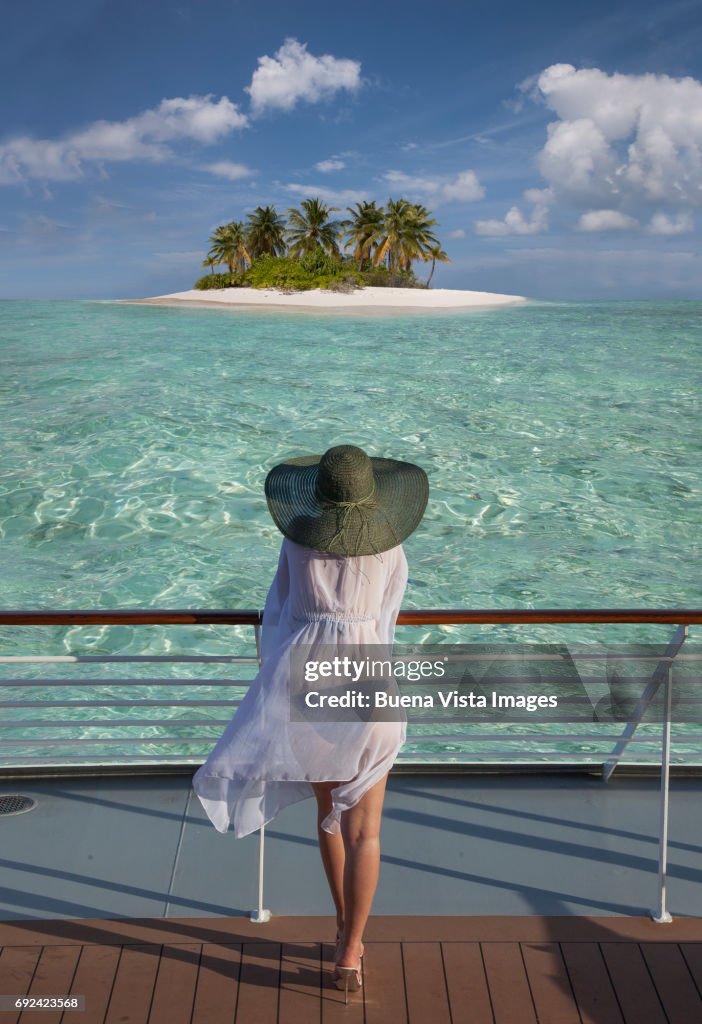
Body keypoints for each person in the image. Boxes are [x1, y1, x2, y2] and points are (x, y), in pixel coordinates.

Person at [192, 443, 429, 998]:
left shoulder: (297, 543)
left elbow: (280, 613)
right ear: (372, 497)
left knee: (329, 814)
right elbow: (387, 621)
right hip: (369, 687)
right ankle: (350, 951)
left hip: (310, 687)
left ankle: (344, 925)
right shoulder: (390, 550)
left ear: (318, 493)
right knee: (367, 829)